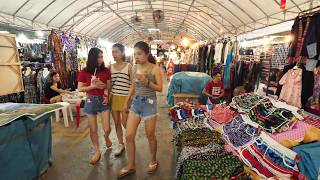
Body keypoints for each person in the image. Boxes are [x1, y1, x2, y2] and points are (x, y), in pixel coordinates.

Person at [117, 41, 163, 178]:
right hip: (136, 104)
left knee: (150, 135)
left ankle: (153, 160)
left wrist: (147, 82)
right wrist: (126, 102)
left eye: (139, 54)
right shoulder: (134, 67)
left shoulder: (155, 68)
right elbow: (133, 86)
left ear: (147, 54)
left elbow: (160, 88)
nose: (136, 57)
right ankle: (131, 165)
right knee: (129, 135)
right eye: (135, 54)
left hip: (149, 104)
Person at [77, 48, 112, 165]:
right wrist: (93, 86)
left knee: (107, 128)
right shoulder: (84, 71)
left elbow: (108, 86)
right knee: (93, 129)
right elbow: (80, 89)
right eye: (98, 57)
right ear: (92, 58)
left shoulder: (106, 71)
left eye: (102, 57)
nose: (101, 59)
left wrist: (103, 87)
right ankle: (97, 151)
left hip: (104, 100)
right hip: (90, 100)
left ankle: (106, 137)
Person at [110, 43, 132, 156]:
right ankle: (120, 143)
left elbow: (133, 85)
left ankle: (130, 141)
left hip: (125, 98)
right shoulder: (110, 67)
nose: (114, 54)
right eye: (113, 52)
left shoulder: (129, 66)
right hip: (114, 98)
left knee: (125, 123)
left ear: (122, 53)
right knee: (117, 122)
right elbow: (109, 85)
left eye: (116, 51)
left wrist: (129, 101)